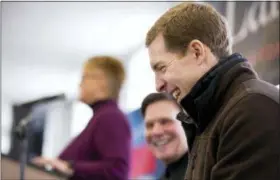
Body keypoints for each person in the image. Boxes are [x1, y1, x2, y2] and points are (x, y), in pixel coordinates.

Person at [145, 2, 280, 180]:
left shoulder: (250, 109)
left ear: (197, 52)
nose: (158, 85)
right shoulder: (212, 118)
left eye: (162, 68)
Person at [32, 56, 131, 180]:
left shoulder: (111, 117)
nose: (80, 84)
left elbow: (117, 170)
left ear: (101, 81)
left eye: (84, 77)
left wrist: (69, 167)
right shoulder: (101, 118)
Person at [141, 93, 189, 180]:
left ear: (188, 124)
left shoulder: (208, 171)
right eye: (150, 125)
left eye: (165, 121)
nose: (156, 131)